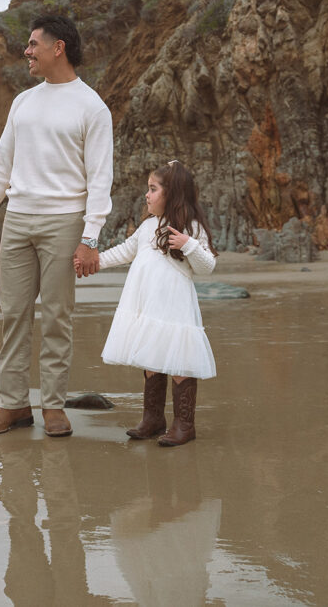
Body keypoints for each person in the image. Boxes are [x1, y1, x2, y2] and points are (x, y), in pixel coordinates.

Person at [0, 15, 114, 438]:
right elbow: (1, 164)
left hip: (65, 221)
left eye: (33, 44)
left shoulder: (92, 107)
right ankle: (13, 406)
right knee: (13, 314)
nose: (26, 52)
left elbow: (100, 178)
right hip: (17, 219)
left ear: (58, 47)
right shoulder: (23, 103)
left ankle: (53, 406)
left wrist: (90, 238)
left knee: (56, 317)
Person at [92, 160, 218, 446]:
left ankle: (184, 424)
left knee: (179, 361)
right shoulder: (148, 226)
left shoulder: (191, 227)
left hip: (175, 305)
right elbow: (125, 251)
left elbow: (207, 266)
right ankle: (153, 418)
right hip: (147, 304)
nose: (146, 195)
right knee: (152, 357)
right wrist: (95, 262)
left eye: (152, 189)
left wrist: (189, 244)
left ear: (172, 193)